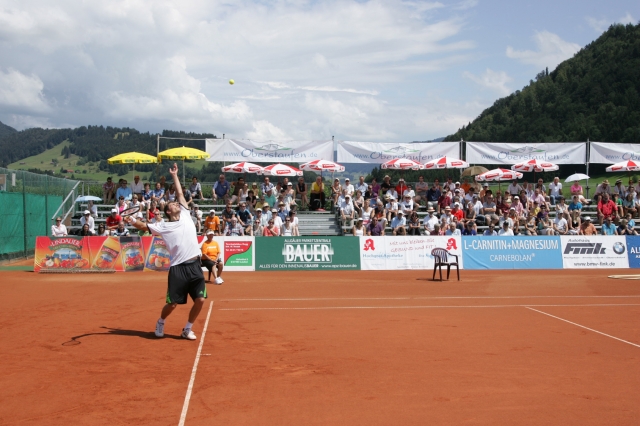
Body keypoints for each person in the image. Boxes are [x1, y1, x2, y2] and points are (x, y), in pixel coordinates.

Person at [124, 162, 207, 341]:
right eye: (174, 204)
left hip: (195, 266)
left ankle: (187, 329)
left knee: (200, 300)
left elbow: (179, 193)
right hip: (178, 269)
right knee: (173, 304)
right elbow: (143, 226)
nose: (178, 203)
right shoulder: (163, 225)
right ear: (169, 211)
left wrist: (175, 176)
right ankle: (161, 321)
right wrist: (130, 220)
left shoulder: (185, 213)